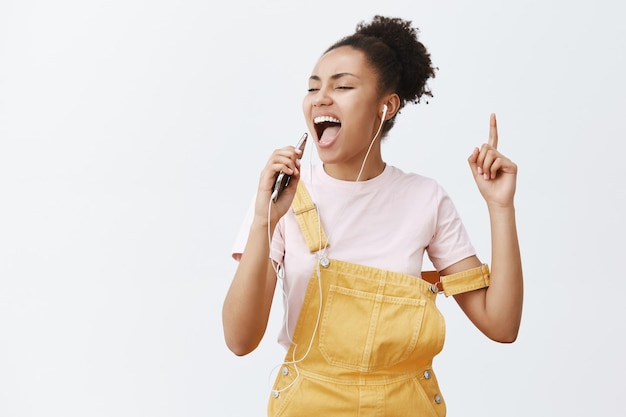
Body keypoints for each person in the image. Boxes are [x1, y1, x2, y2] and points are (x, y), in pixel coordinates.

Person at [223, 15, 523, 416]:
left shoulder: (425, 198)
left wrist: (500, 207)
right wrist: (265, 219)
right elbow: (240, 340)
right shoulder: (283, 198)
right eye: (313, 87)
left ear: (387, 105)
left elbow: (501, 324)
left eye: (342, 86)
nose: (320, 98)